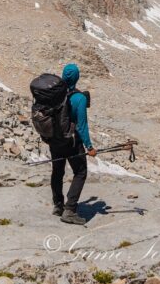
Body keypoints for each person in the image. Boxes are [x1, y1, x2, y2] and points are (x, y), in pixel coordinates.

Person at [50, 63, 96, 225]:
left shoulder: (54, 95)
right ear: (77, 78)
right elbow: (82, 126)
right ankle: (69, 210)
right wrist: (89, 147)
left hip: (55, 140)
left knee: (57, 170)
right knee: (80, 172)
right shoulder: (79, 98)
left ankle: (58, 205)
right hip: (71, 142)